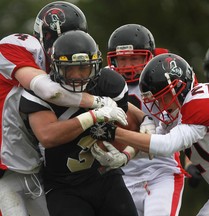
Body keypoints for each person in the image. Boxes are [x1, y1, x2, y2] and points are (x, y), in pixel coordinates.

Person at [94, 53, 209, 216]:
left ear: (180, 87)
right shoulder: (182, 111)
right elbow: (154, 146)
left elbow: (167, 144)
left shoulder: (199, 103)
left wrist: (114, 133)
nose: (160, 106)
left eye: (163, 97)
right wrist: (125, 155)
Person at [0, 2, 115, 215]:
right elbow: (49, 91)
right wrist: (99, 104)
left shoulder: (67, 70)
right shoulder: (20, 47)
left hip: (33, 169)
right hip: (4, 168)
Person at [19, 30, 139, 216]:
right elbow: (49, 136)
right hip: (63, 185)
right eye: (69, 68)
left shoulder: (108, 84)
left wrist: (126, 154)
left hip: (104, 178)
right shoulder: (39, 93)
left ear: (95, 66)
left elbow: (133, 126)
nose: (76, 76)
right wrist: (92, 116)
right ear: (56, 67)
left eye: (83, 68)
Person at [106, 24, 186, 216]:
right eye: (122, 59)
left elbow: (179, 130)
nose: (128, 65)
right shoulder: (105, 82)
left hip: (160, 170)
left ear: (149, 56)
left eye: (134, 58)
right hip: (121, 175)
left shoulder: (164, 77)